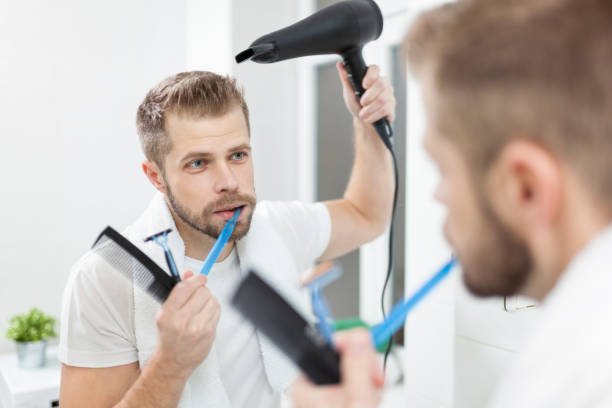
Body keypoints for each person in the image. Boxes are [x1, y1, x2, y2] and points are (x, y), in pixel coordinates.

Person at [292, 0, 612, 407]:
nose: (438, 196)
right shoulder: (580, 337)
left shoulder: (579, 384)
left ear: (525, 188)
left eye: (444, 170)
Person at [58, 63, 395, 407]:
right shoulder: (103, 280)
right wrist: (170, 366)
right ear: (156, 176)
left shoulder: (276, 228)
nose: (229, 181)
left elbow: (366, 215)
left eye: (237, 155)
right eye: (198, 163)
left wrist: (367, 123)